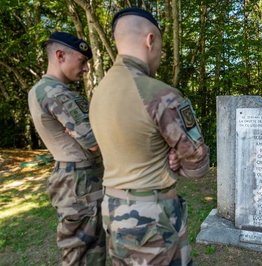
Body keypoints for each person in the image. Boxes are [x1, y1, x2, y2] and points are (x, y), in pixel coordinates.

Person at [89, 7, 210, 266]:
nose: (160, 57)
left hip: (113, 210)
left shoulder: (98, 93)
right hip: (152, 219)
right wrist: (180, 160)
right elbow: (197, 162)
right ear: (150, 40)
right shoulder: (158, 94)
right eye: (161, 48)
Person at [28, 32, 106, 265]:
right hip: (80, 182)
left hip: (76, 179)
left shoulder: (42, 90)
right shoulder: (56, 93)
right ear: (60, 55)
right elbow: (93, 141)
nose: (85, 70)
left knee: (85, 250)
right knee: (83, 253)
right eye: (82, 62)